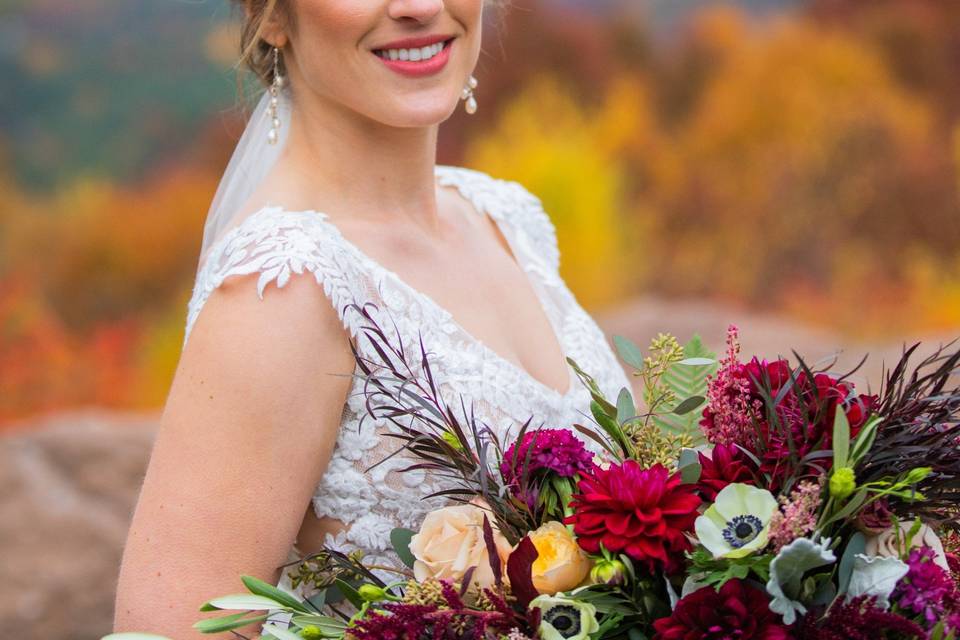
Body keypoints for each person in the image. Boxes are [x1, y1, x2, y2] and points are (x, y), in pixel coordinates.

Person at [113, 0, 631, 637]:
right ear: (270, 16)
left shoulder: (502, 217)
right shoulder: (284, 286)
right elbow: (170, 626)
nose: (419, 7)